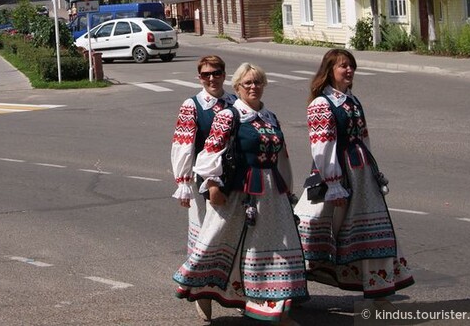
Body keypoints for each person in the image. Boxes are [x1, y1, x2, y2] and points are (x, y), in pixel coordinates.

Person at [174, 63, 307, 324]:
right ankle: (204, 290)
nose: (253, 87)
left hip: (272, 193)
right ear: (237, 87)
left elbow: (282, 156)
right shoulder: (229, 115)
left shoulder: (270, 117)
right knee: (220, 241)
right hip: (242, 191)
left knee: (276, 248)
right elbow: (209, 154)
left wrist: (287, 190)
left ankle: (274, 309)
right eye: (247, 83)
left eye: (258, 82)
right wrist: (212, 186)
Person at [294, 49, 414, 306]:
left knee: (371, 227)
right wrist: (333, 183)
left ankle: (380, 290)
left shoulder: (352, 101)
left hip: (361, 175)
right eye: (343, 66)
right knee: (316, 227)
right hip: (336, 174)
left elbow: (364, 138)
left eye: (351, 66)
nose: (349, 70)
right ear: (330, 71)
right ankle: (292, 283)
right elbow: (321, 147)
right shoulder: (321, 104)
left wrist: (372, 171)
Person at [170, 55, 237, 321]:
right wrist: (184, 183)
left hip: (232, 182)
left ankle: (234, 294)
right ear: (199, 77)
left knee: (231, 239)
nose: (212, 78)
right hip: (202, 184)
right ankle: (202, 295)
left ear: (224, 74)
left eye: (217, 73)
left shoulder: (234, 102)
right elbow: (183, 145)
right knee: (204, 242)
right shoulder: (193, 105)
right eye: (206, 74)